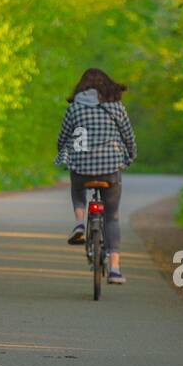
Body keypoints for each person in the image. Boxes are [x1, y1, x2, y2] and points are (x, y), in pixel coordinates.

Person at [54, 68, 137, 284]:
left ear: (81, 88)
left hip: (82, 167)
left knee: (77, 184)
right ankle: (115, 269)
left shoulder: (74, 108)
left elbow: (62, 138)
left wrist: (62, 152)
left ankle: (80, 223)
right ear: (108, 86)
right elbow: (128, 136)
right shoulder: (116, 107)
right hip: (110, 168)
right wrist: (131, 156)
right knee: (112, 217)